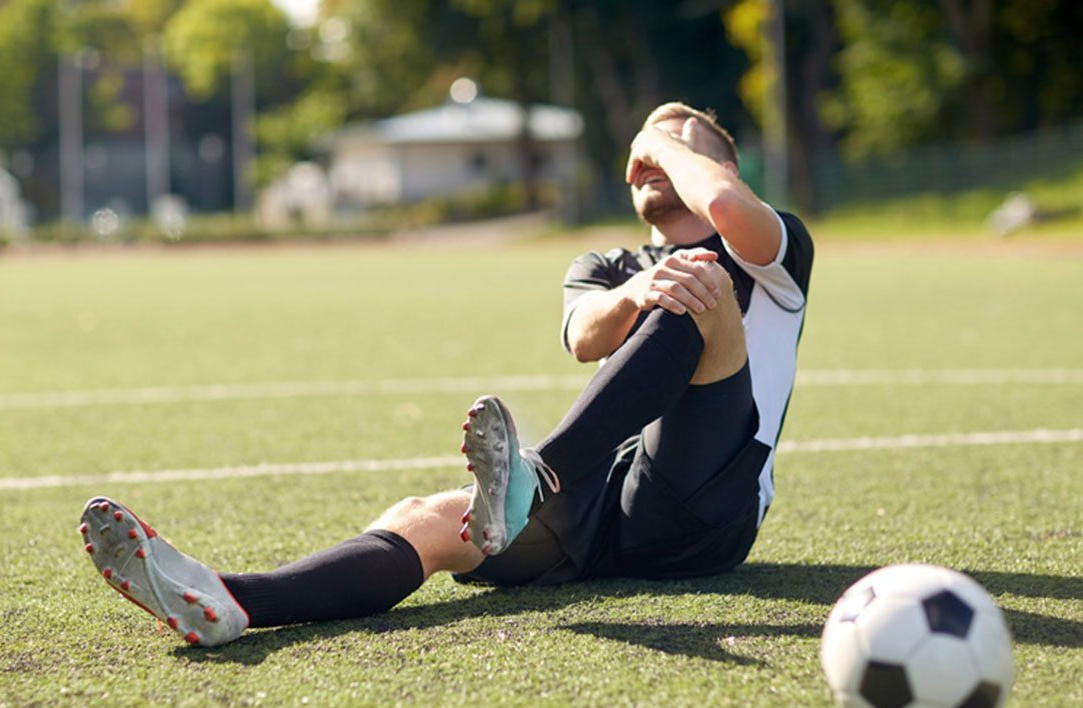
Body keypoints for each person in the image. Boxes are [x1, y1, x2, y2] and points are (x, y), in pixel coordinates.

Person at [78, 102, 814, 647]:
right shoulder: (602, 267)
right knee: (426, 517)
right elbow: (587, 339)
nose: (652, 158)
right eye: (643, 153)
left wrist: (661, 138)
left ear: (725, 165)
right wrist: (635, 289)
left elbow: (719, 203)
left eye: (676, 147)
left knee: (700, 282)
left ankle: (538, 477)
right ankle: (231, 600)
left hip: (709, 507)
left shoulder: (771, 250)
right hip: (605, 501)